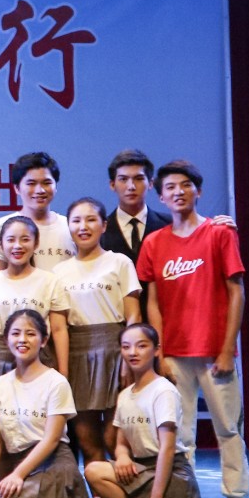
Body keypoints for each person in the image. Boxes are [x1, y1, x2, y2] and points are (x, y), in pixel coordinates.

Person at [136, 159, 249, 498]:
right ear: (160, 196)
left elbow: (237, 292)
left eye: (185, 185)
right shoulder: (154, 242)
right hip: (174, 355)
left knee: (228, 430)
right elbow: (153, 302)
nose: (178, 192)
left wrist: (227, 349)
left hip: (216, 354)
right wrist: (160, 353)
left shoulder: (219, 233)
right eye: (170, 187)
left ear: (198, 191)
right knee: (179, 437)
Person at [0, 310, 90, 498]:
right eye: (15, 333)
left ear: (43, 340)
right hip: (16, 464)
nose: (22, 339)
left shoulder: (56, 382)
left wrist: (18, 475)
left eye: (31, 334)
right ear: (6, 340)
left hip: (52, 465)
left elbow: (51, 440)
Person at [84, 323, 205, 498]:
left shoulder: (163, 391)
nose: (133, 352)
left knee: (94, 470)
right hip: (141, 471)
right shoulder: (125, 395)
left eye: (141, 346)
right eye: (126, 347)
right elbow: (121, 443)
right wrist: (122, 457)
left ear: (156, 350)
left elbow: (167, 448)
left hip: (169, 474)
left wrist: (156, 497)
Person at [54, 197, 142, 464]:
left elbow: (134, 315)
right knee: (85, 437)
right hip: (76, 353)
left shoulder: (119, 262)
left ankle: (124, 488)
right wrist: (62, 370)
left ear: (104, 226)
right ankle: (98, 488)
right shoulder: (59, 271)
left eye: (91, 220)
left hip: (115, 349)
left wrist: (128, 358)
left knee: (115, 437)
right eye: (76, 221)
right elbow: (58, 324)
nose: (83, 226)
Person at [0, 215, 70, 411]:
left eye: (25, 239)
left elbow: (59, 330)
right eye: (10, 240)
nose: (18, 246)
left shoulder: (50, 281)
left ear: (36, 243)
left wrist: (63, 373)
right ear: (1, 245)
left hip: (38, 360)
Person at [0, 152, 75, 273]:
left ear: (55, 186)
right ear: (17, 188)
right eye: (31, 183)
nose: (40, 190)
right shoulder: (0, 227)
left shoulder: (71, 227)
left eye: (47, 183)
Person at [99, 149, 168, 264]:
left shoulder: (169, 225)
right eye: (123, 179)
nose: (131, 186)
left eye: (139, 179)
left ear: (151, 184)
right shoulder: (100, 231)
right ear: (112, 184)